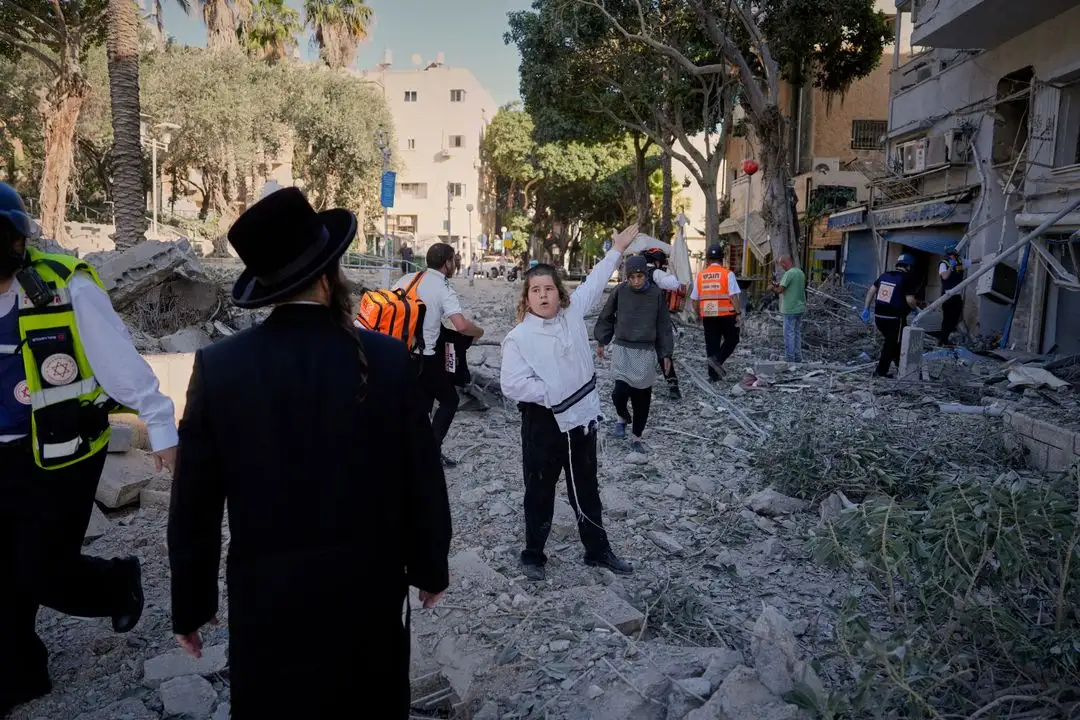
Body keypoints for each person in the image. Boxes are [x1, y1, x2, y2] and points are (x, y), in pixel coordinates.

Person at [167, 187, 452, 719]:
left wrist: (192, 603)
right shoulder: (387, 359)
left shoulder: (220, 367)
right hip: (368, 587)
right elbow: (421, 475)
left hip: (268, 598)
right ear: (331, 274)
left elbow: (194, 503)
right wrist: (430, 565)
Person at [0, 182, 177, 716]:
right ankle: (20, 674)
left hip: (65, 454)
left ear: (15, 240)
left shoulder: (60, 286)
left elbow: (119, 362)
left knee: (38, 566)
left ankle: (117, 584)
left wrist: (162, 428)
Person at [500, 223, 640, 582]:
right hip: (542, 424)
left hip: (582, 420)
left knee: (586, 489)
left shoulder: (573, 313)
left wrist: (616, 250)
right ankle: (533, 555)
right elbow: (512, 384)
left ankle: (597, 551)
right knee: (540, 490)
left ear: (559, 293)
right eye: (536, 290)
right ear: (526, 298)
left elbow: (594, 281)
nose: (544, 295)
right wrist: (552, 392)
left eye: (549, 288)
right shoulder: (519, 337)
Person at [393, 243, 484, 467]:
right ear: (447, 264)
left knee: (423, 402)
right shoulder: (443, 287)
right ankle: (430, 454)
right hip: (426, 356)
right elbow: (461, 326)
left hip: (400, 352)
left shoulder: (408, 279)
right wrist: (479, 332)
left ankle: (413, 452)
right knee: (449, 400)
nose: (455, 264)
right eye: (454, 261)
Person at [594, 254, 674, 453]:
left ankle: (636, 437)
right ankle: (623, 416)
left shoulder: (656, 295)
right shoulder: (620, 291)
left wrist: (665, 354)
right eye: (632, 277)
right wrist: (602, 340)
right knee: (618, 393)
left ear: (646, 275)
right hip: (623, 349)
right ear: (626, 277)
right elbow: (607, 315)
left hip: (646, 351)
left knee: (641, 397)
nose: (636, 281)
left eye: (640, 276)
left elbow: (663, 325)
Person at [862, 253, 920, 378]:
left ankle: (901, 367)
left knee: (895, 343)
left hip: (879, 317)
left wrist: (866, 309)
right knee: (891, 344)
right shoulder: (907, 278)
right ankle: (880, 372)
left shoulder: (885, 275)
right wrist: (916, 310)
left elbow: (871, 291)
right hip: (895, 319)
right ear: (909, 266)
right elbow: (910, 300)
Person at [691, 244, 742, 381]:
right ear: (722, 259)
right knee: (733, 339)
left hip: (708, 315)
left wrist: (697, 314)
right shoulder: (728, 274)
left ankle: (713, 375)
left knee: (711, 344)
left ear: (708, 260)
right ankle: (718, 361)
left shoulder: (700, 276)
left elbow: (694, 299)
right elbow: (733, 296)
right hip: (726, 315)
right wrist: (738, 313)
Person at [643, 247, 683, 400]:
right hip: (655, 318)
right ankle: (673, 385)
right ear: (658, 262)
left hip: (636, 319)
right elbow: (674, 284)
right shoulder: (656, 273)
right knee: (663, 352)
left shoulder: (634, 273)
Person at [932, 246, 972, 345]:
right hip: (947, 295)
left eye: (954, 254)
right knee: (947, 320)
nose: (953, 256)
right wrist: (951, 266)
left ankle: (948, 338)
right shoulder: (943, 263)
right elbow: (945, 277)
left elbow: (970, 262)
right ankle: (943, 341)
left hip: (957, 295)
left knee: (955, 318)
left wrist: (984, 259)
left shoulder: (960, 261)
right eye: (951, 255)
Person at [770, 255, 806, 362]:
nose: (782, 268)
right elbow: (792, 286)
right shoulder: (800, 272)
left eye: (782, 265)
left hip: (790, 308)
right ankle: (798, 357)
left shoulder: (788, 273)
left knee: (788, 334)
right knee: (796, 333)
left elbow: (780, 290)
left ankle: (790, 358)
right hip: (800, 307)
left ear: (785, 263)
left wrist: (773, 287)